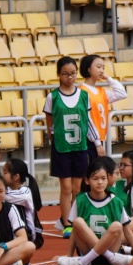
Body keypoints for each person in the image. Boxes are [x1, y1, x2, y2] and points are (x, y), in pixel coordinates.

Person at [57, 156, 133, 265]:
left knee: (117, 225)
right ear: (87, 180)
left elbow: (127, 232)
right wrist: (68, 257)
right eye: (95, 179)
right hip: (87, 251)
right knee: (78, 222)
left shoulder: (116, 201)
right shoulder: (80, 200)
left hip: (110, 249)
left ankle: (84, 262)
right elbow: (74, 232)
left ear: (108, 179)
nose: (100, 182)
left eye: (103, 178)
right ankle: (103, 257)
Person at [44, 57, 94, 231]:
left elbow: (88, 121)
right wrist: (53, 137)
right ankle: (67, 223)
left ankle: (77, 221)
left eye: (73, 73)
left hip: (80, 147)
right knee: (66, 187)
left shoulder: (84, 95)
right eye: (65, 74)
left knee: (78, 187)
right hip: (61, 148)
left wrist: (96, 142)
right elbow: (49, 123)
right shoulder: (52, 97)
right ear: (59, 74)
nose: (69, 77)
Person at [81, 53, 129, 156]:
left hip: (101, 138)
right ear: (88, 69)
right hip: (89, 140)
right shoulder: (82, 91)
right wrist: (97, 143)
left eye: (103, 68)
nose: (102, 70)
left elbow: (122, 94)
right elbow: (87, 119)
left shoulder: (101, 91)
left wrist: (108, 79)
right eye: (98, 67)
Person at [0, 156, 45, 252]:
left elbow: (3, 197)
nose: (2, 175)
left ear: (16, 177)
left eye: (5, 173)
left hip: (27, 234)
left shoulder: (25, 192)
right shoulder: (8, 190)